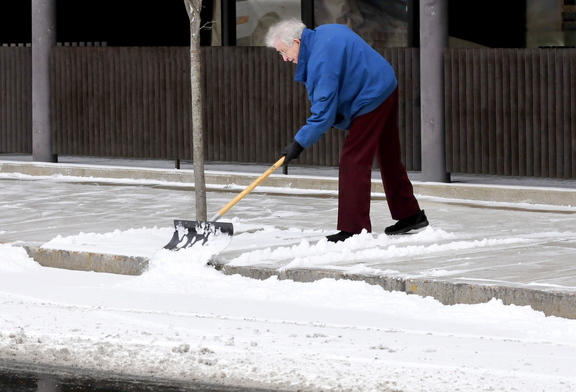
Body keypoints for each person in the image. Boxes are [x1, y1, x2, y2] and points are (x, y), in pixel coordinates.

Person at [265, 18, 429, 242]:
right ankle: (410, 214)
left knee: (353, 160)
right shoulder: (324, 32)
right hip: (384, 84)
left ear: (296, 41)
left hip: (371, 97)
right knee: (388, 155)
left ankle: (354, 229)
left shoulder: (320, 60)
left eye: (284, 51)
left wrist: (298, 144)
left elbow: (323, 111)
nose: (284, 58)